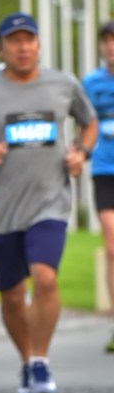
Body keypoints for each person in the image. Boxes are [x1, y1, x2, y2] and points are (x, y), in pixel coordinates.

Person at [0, 12, 97, 393]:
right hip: (2, 209)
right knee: (12, 294)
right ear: (1, 48)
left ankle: (41, 360)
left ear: (38, 44)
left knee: (45, 277)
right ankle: (27, 359)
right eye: (14, 41)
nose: (23, 47)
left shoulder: (62, 84)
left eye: (29, 39)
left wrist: (81, 152)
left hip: (50, 202)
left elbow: (89, 122)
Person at [82, 20, 114, 353]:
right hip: (104, 170)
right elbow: (84, 121)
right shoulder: (91, 83)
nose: (111, 46)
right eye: (106, 40)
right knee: (112, 247)